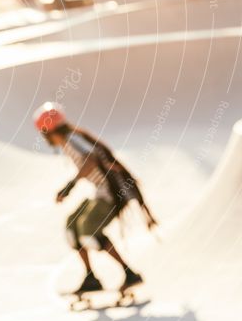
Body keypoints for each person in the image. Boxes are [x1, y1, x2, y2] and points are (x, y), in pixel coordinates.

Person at [33, 102, 157, 294]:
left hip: (109, 196)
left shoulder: (71, 139)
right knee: (72, 227)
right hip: (100, 193)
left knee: (88, 230)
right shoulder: (71, 139)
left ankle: (130, 274)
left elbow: (90, 160)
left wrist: (70, 186)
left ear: (48, 131)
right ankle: (91, 278)